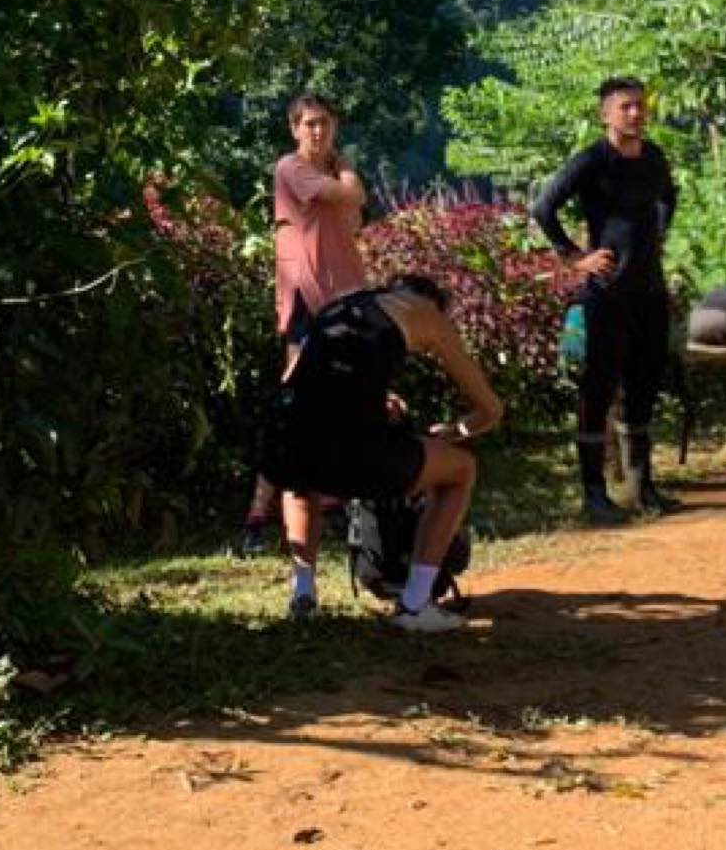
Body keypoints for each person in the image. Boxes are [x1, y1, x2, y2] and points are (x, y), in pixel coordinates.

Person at [260, 274, 503, 633]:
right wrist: (453, 431)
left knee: (303, 469)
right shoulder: (426, 313)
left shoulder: (341, 307)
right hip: (354, 455)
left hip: (280, 447)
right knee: (461, 469)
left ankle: (303, 594)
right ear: (434, 304)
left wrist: (373, 400)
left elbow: (299, 384)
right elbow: (490, 410)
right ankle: (414, 605)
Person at [239, 94, 369, 612]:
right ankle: (257, 514)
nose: (319, 132)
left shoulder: (331, 169)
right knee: (293, 407)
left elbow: (351, 215)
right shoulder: (290, 168)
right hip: (304, 304)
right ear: (295, 129)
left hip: (347, 298)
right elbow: (350, 197)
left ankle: (335, 500)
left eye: (326, 123)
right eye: (310, 124)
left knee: (343, 402)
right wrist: (349, 176)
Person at [532, 76, 680, 524]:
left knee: (644, 383)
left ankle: (642, 485)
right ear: (606, 115)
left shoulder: (653, 157)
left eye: (640, 106)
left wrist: (657, 234)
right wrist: (575, 258)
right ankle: (594, 493)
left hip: (649, 290)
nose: (635, 114)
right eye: (625, 107)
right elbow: (544, 208)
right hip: (608, 292)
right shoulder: (592, 161)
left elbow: (669, 197)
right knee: (598, 389)